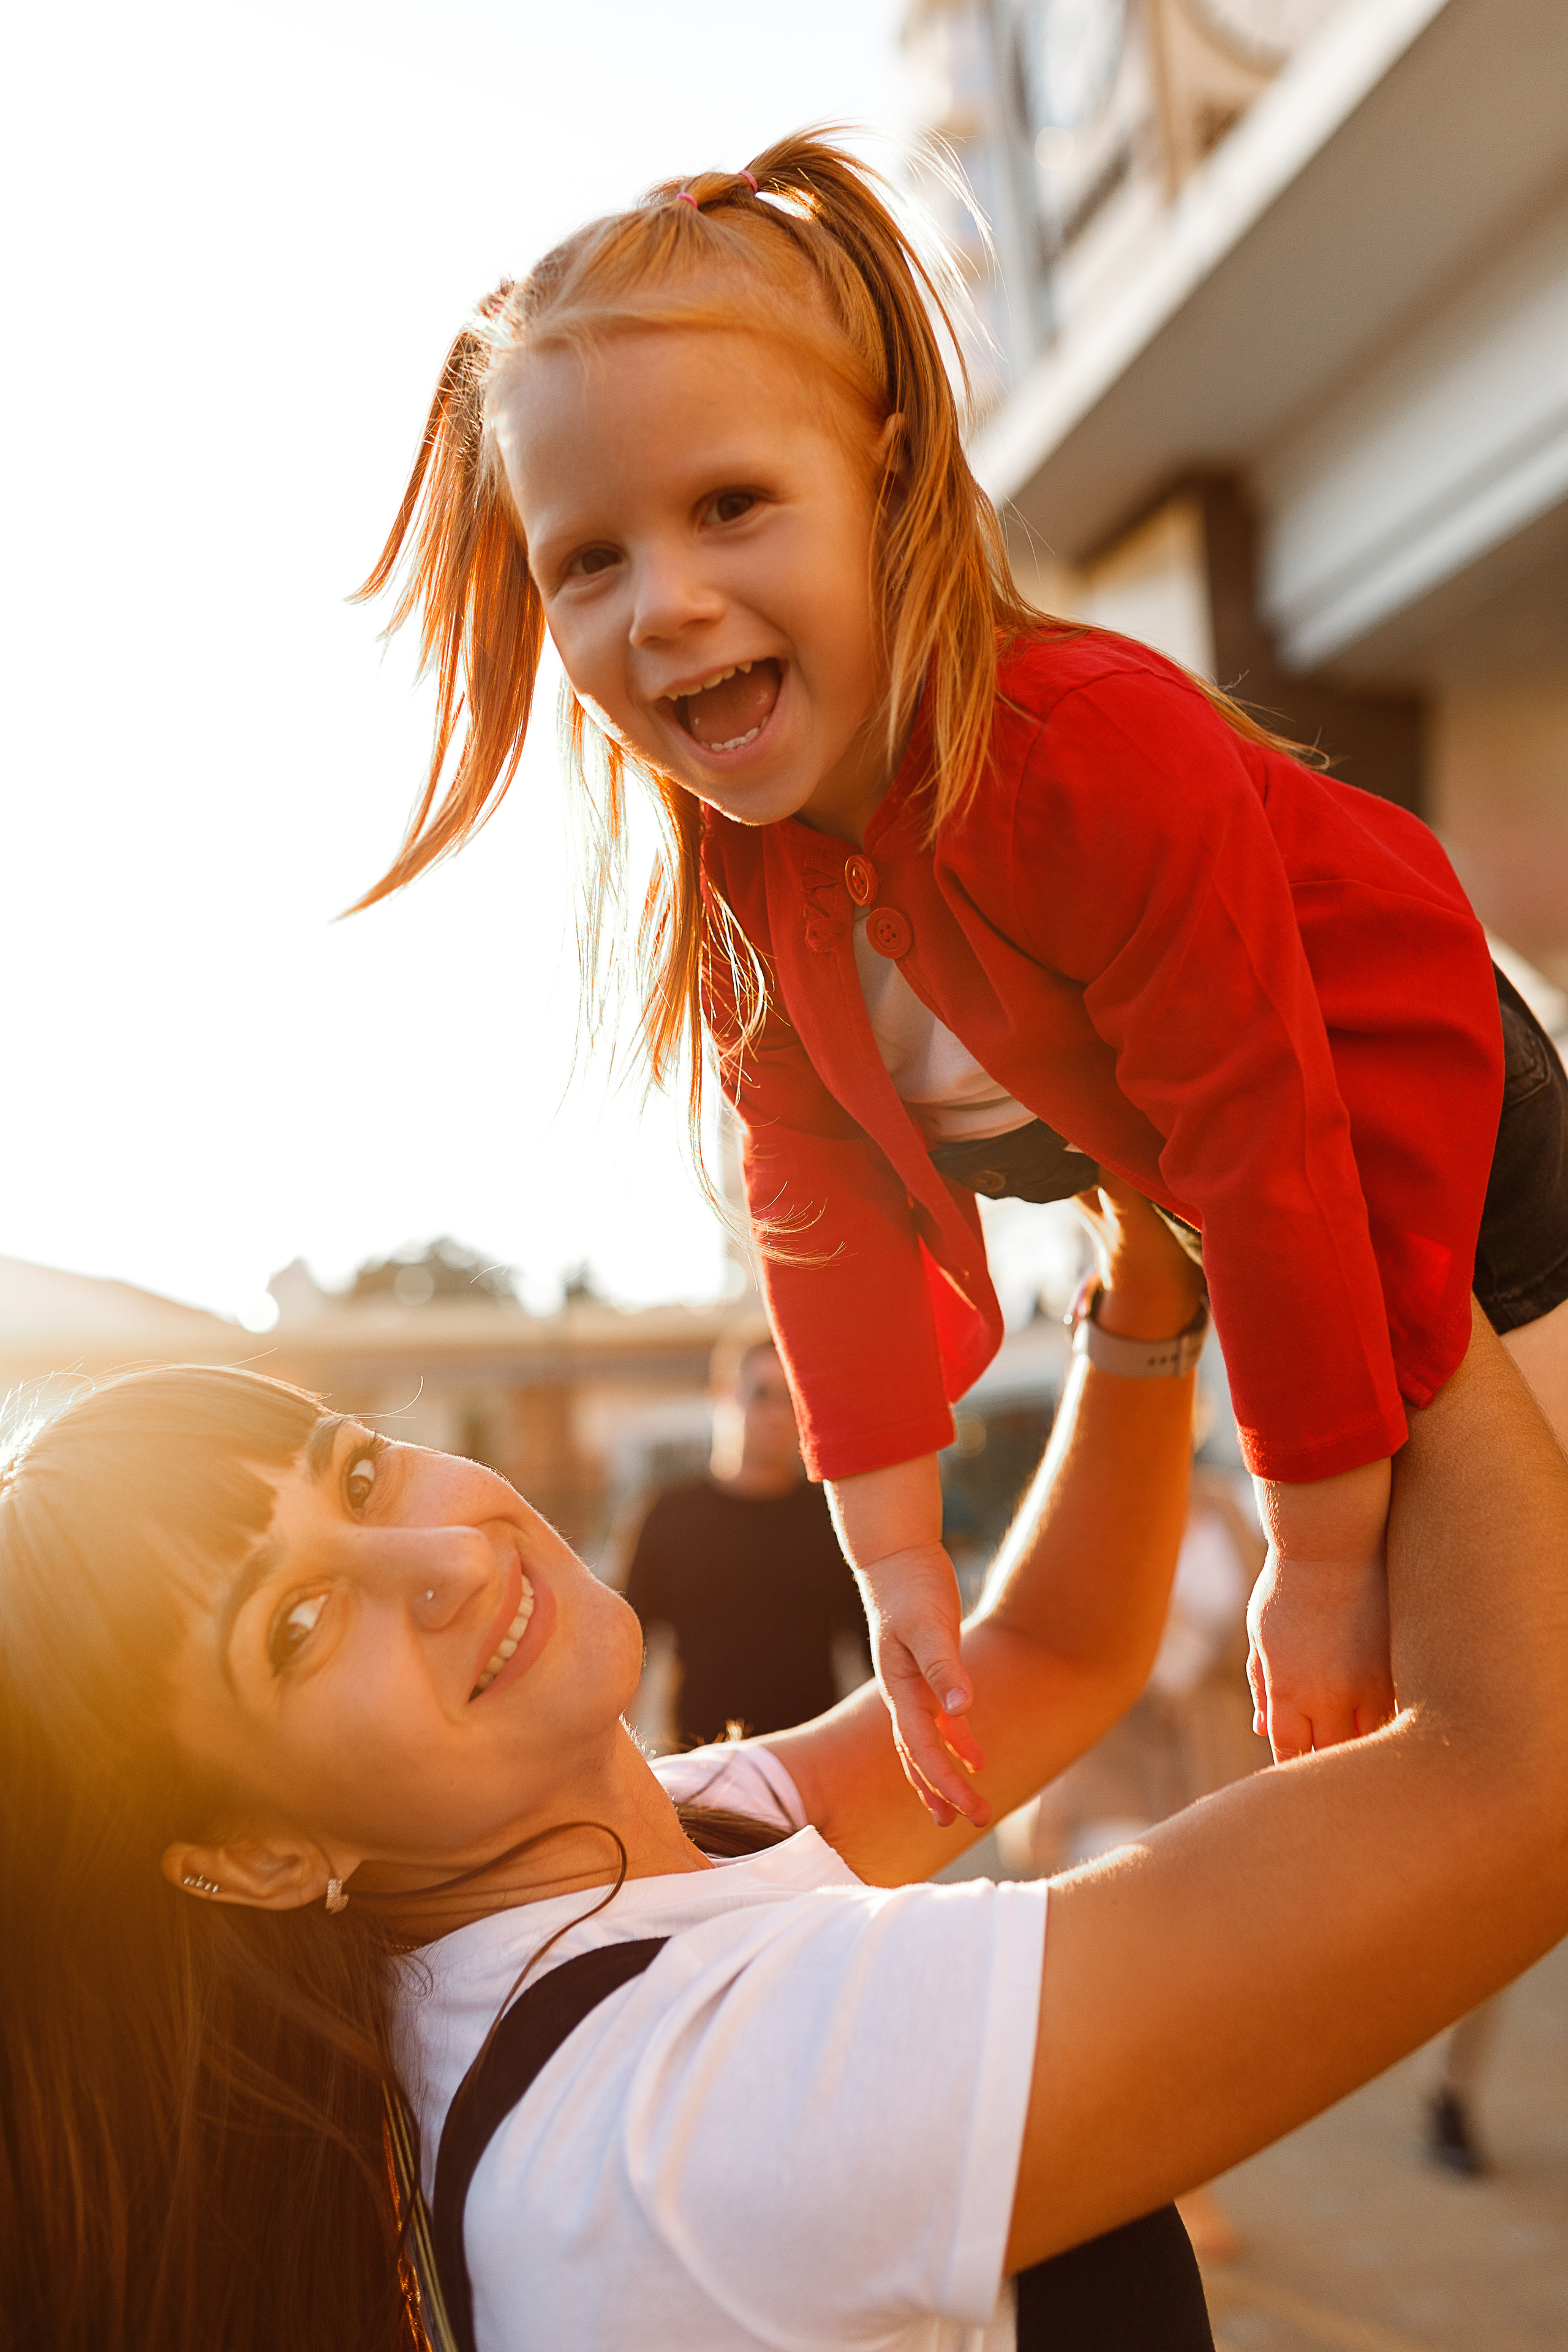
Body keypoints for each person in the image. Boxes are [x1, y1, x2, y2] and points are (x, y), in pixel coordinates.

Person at [352, 133, 1568, 1817]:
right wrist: (900, 1564)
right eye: (589, 561)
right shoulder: (738, 886)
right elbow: (816, 1201)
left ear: (889, 476)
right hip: (1209, 1184)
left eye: (729, 506)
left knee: (1512, 1643)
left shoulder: (1091, 751)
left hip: (1418, 1124)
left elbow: (1268, 1149)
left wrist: (1320, 1557)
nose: (668, 606)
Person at [7, 1186, 1568, 2352]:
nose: (435, 1555)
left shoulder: (643, 1847)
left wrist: (1145, 1270)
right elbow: (1521, 1780)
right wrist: (1400, 1189)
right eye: (290, 1623)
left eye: (356, 1467)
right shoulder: (686, 2118)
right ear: (259, 1855)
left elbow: (1045, 1659)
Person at [618, 1329, 868, 1747]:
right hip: (705, 1770)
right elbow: (627, 1652)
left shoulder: (834, 1517)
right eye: (762, 1394)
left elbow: (875, 1652)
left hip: (814, 1769)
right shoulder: (671, 1515)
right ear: (722, 1395)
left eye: (793, 1398)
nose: (777, 1414)